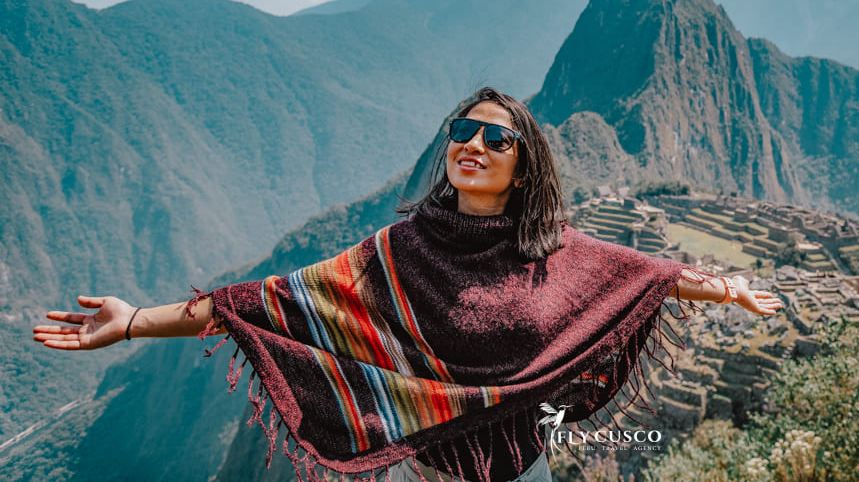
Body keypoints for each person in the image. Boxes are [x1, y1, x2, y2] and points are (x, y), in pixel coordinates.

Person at [35, 88, 782, 482]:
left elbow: (643, 274)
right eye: (463, 131)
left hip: (524, 468)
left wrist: (728, 289)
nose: (475, 146)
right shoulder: (394, 255)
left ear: (525, 164)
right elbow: (258, 305)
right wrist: (134, 321)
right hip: (433, 467)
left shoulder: (551, 251)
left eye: (498, 139)